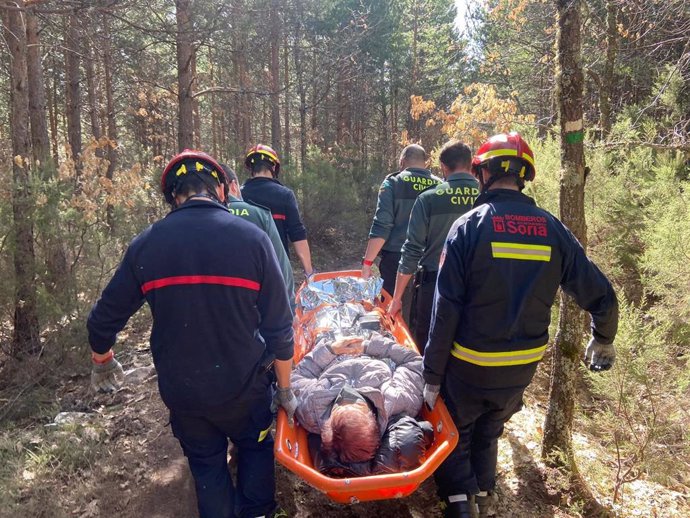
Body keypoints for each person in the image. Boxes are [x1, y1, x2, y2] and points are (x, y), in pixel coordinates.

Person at [87, 149, 298, 518]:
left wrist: (102, 359)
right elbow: (280, 329)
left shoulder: (147, 244)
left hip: (184, 393)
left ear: (174, 196)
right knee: (255, 449)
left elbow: (102, 320)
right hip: (246, 388)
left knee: (206, 465)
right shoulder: (252, 239)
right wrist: (284, 390)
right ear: (221, 190)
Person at [421, 132, 618, 518]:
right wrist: (604, 337)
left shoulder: (468, 227)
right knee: (492, 425)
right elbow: (600, 292)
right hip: (522, 365)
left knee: (456, 432)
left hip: (469, 363)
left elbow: (446, 310)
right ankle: (484, 490)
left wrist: (431, 374)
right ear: (523, 176)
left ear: (482, 173)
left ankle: (461, 501)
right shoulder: (554, 229)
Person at [388, 140, 479, 351]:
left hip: (435, 286)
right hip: (478, 286)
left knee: (429, 345)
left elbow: (412, 250)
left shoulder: (428, 199)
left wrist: (398, 298)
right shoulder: (487, 197)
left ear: (443, 167)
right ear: (471, 164)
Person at [291, 333, 424, 467]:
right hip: (370, 344)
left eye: (340, 403)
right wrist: (370, 346)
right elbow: (414, 361)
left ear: (328, 422)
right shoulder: (397, 399)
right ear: (373, 419)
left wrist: (330, 350)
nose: (350, 394)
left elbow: (296, 377)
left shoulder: (312, 407)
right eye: (358, 403)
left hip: (331, 346)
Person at [361, 144, 441, 310]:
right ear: (425, 163)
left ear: (402, 161)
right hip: (431, 262)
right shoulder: (440, 186)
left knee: (392, 311)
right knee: (423, 314)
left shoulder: (393, 183)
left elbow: (382, 224)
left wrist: (367, 262)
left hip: (396, 260)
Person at [222, 164, 296, 311]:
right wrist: (289, 308)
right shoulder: (260, 214)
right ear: (234, 185)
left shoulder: (193, 221)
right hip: (258, 306)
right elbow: (282, 267)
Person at [241, 144, 314, 279]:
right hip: (277, 270)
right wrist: (309, 272)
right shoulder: (285, 195)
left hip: (245, 270)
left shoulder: (239, 195)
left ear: (250, 168)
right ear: (274, 167)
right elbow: (298, 235)